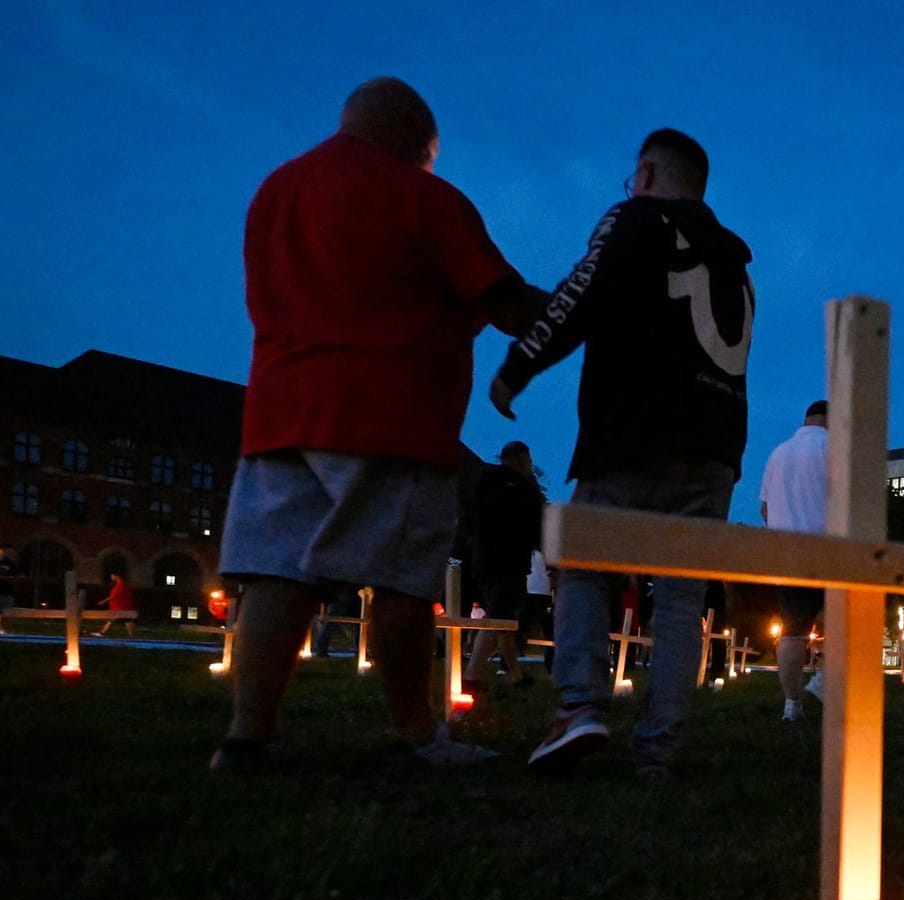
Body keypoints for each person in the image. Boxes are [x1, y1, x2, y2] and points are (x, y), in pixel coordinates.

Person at [211, 78, 544, 773]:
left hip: (280, 412)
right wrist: (584, 312)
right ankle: (416, 734)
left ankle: (247, 737)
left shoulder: (277, 190)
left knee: (277, 575)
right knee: (402, 581)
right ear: (420, 143)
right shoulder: (425, 197)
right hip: (390, 415)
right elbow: (508, 303)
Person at [495, 128, 755, 782]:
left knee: (581, 562)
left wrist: (519, 365)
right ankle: (657, 751)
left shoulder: (636, 219)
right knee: (679, 603)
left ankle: (580, 704)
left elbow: (582, 293)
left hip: (635, 432)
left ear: (645, 174)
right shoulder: (736, 265)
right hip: (716, 449)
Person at [760, 399, 829, 721]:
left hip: (787, 555)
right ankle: (826, 682)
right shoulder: (833, 448)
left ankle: (792, 704)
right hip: (829, 552)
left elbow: (764, 509)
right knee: (850, 621)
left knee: (793, 632)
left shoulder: (778, 453)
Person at [463, 441, 546, 691]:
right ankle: (471, 676)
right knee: (500, 618)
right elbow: (535, 529)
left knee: (504, 618)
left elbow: (471, 518)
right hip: (510, 562)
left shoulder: (484, 483)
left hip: (484, 560)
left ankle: (516, 674)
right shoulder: (524, 491)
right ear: (521, 459)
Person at [96, 572, 135, 636]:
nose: (111, 577)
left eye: (112, 576)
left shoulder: (121, 585)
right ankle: (101, 633)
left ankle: (132, 636)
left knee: (127, 621)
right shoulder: (121, 585)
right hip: (120, 607)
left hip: (121, 608)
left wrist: (103, 601)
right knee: (122, 621)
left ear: (116, 576)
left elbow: (114, 596)